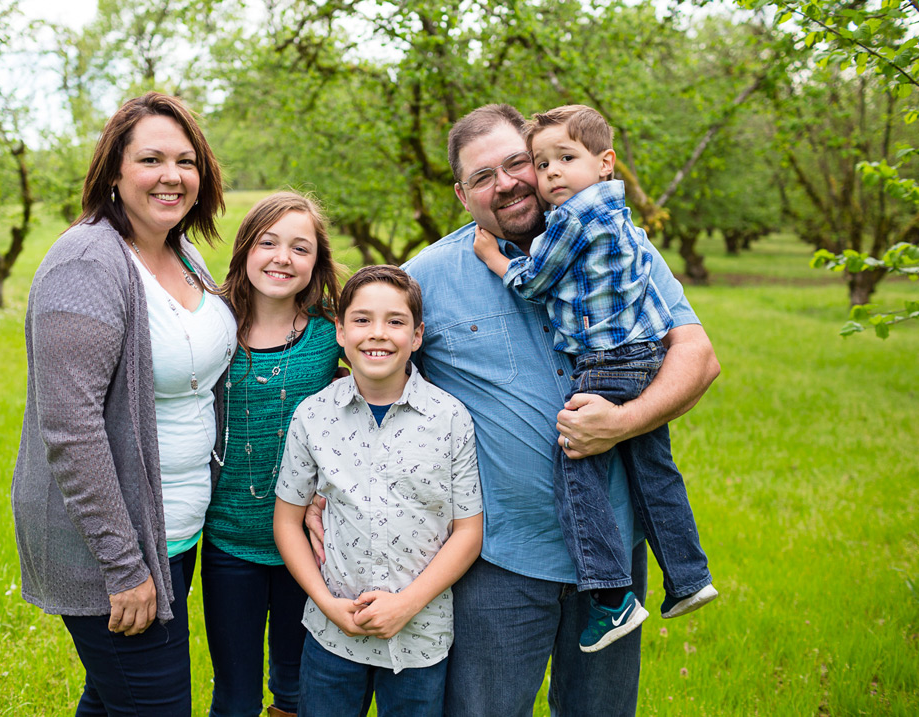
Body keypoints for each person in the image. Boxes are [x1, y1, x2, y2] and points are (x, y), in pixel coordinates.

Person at [399, 104, 720, 715]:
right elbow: (371, 374)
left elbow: (698, 356)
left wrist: (623, 423)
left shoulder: (617, 244)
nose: (509, 183)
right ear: (461, 192)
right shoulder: (426, 279)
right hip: (498, 557)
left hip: (614, 543)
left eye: (517, 163)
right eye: (483, 176)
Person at [12, 91, 234, 715]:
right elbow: (70, 427)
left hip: (176, 530)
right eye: (151, 159)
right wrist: (123, 564)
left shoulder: (181, 253)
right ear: (114, 170)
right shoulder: (86, 263)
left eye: (186, 161)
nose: (172, 176)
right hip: (121, 547)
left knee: (114, 702)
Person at [472, 104, 716, 653]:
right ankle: (689, 577)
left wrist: (493, 256)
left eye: (561, 159)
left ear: (605, 162)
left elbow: (534, 283)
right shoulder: (622, 218)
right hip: (643, 354)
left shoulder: (572, 220)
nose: (549, 173)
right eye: (544, 162)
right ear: (462, 193)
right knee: (654, 468)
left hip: (606, 361)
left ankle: (611, 596)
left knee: (575, 457)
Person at [273, 265, 483, 717]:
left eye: (395, 321)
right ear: (341, 333)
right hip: (332, 633)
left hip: (419, 636)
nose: (378, 334)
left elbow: (468, 531)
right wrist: (327, 604)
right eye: (362, 320)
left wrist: (405, 605)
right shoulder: (313, 415)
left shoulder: (451, 419)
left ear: (418, 335)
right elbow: (287, 522)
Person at [202, 192, 343, 717]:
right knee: (235, 694)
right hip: (228, 541)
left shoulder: (333, 337)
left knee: (298, 687)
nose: (283, 258)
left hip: (308, 545)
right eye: (269, 243)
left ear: (316, 262)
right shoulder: (212, 330)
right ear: (244, 250)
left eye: (299, 248)